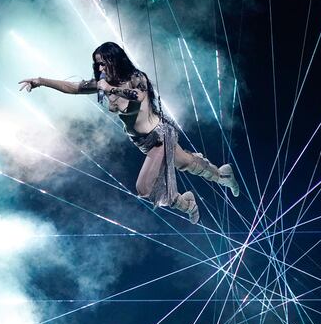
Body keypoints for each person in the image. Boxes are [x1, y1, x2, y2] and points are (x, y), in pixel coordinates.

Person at [19, 41, 239, 224]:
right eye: (98, 65)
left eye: (103, 64)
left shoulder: (136, 77)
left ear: (114, 59)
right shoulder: (103, 84)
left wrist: (110, 89)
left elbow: (139, 96)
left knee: (144, 187)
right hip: (142, 141)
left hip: (159, 136)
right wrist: (40, 81)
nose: (101, 69)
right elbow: (74, 87)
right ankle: (223, 175)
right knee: (185, 163)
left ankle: (186, 203)